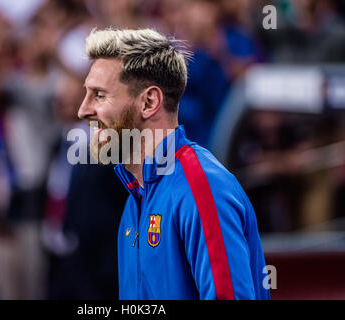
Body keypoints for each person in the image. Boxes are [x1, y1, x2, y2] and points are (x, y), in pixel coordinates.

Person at [77, 28, 270, 300]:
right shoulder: (137, 195)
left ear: (149, 101)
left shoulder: (202, 186)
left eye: (98, 95)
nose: (83, 110)